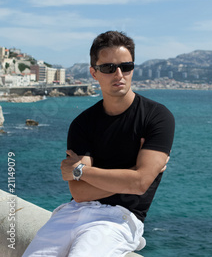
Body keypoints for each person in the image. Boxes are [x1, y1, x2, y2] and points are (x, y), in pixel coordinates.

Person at [23, 30, 175, 257]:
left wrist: (81, 170)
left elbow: (140, 184)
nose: (119, 74)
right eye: (108, 68)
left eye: (126, 66)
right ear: (94, 73)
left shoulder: (157, 117)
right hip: (72, 213)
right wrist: (132, 173)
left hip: (118, 219)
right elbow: (80, 193)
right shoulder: (82, 124)